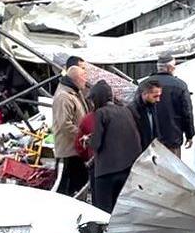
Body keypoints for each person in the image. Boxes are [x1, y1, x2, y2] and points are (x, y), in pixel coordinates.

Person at [83, 81, 144, 213]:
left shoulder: (101, 113)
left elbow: (96, 143)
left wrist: (88, 140)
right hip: (126, 169)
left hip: (106, 172)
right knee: (119, 211)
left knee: (103, 213)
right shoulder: (125, 110)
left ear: (98, 98)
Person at [51, 56, 90, 197]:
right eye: (84, 75)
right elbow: (64, 124)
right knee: (62, 189)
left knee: (78, 188)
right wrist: (82, 136)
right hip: (67, 152)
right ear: (76, 79)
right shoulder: (64, 96)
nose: (86, 80)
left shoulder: (75, 93)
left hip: (77, 151)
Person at [147, 54, 195, 155]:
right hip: (172, 139)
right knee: (173, 169)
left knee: (151, 170)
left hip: (149, 140)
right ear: (169, 68)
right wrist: (189, 135)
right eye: (174, 66)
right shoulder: (180, 85)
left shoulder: (144, 85)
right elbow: (187, 113)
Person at [128, 79, 162, 150]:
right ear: (144, 94)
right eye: (155, 96)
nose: (158, 99)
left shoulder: (152, 107)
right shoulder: (132, 110)